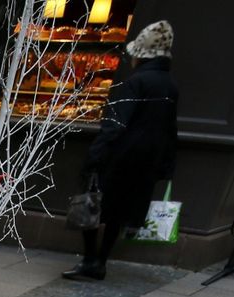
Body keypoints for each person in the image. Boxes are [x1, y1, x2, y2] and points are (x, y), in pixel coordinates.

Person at [64, 21, 179, 281]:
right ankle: (101, 260)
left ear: (139, 55)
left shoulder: (136, 82)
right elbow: (170, 129)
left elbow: (115, 124)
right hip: (145, 162)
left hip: (120, 157)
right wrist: (166, 165)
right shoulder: (170, 86)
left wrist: (94, 156)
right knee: (117, 213)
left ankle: (90, 259)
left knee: (93, 205)